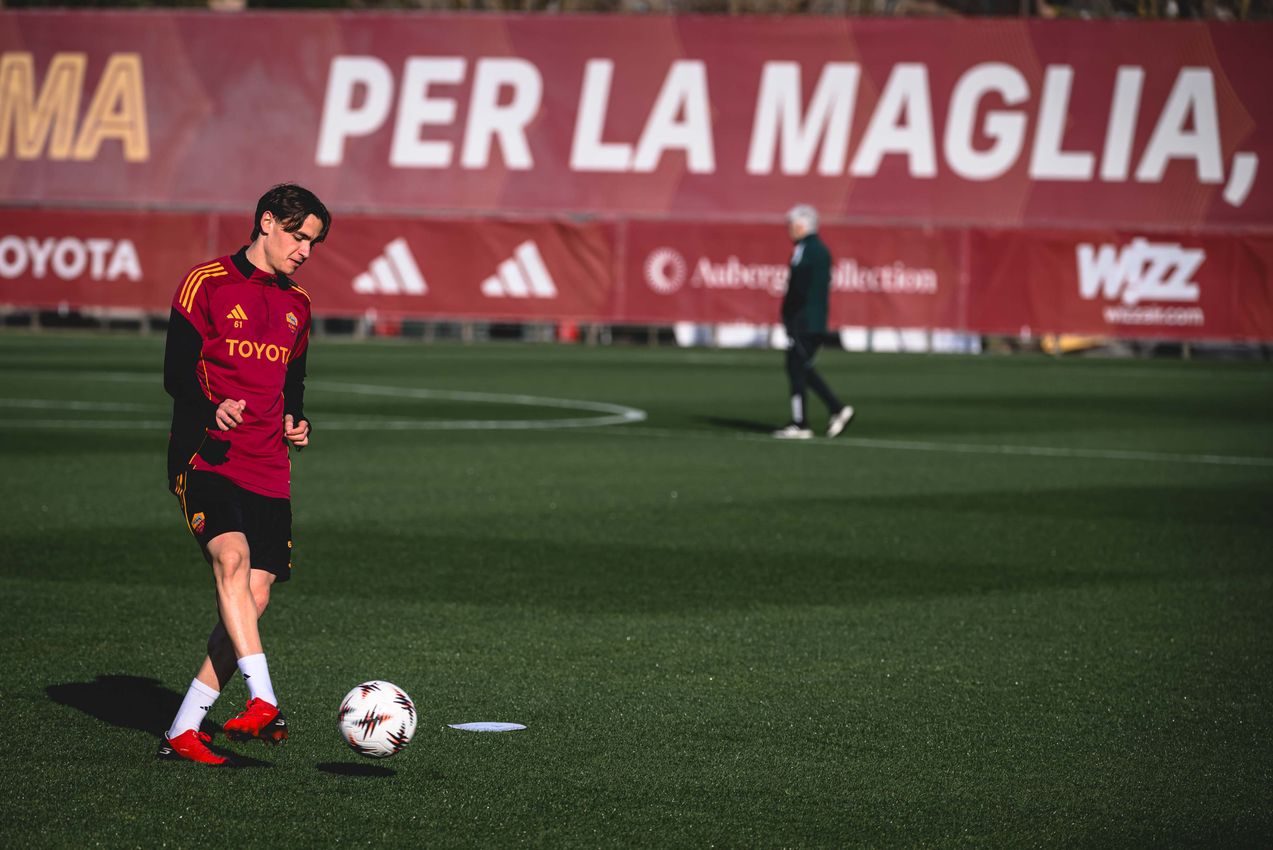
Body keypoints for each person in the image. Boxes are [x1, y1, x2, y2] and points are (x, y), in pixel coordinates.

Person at [158, 184, 331, 765]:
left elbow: (293, 382)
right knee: (230, 561)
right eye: (298, 235)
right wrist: (213, 410)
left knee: (252, 600)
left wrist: (296, 420)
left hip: (268, 466)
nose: (305, 250)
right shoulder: (205, 283)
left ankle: (183, 728)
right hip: (207, 455)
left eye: (314, 242)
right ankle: (264, 700)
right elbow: (175, 373)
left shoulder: (299, 305)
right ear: (266, 223)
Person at [773, 204, 854, 440]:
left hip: (804, 320)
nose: (789, 229)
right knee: (799, 366)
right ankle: (832, 410)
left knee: (797, 366)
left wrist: (788, 313)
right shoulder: (819, 250)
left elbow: (799, 286)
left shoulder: (807, 250)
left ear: (801, 225)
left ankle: (805, 421)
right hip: (813, 319)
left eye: (792, 224)